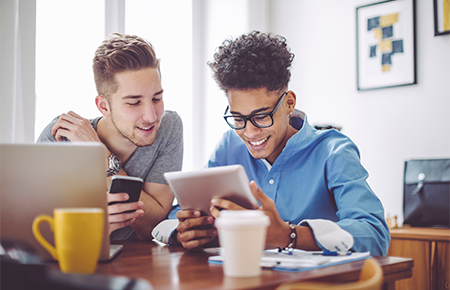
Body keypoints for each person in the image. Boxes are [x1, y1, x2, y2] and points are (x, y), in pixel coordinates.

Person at [167, 31, 390, 256]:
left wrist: (289, 235)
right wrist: (188, 229)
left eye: (262, 116)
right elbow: (178, 214)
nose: (249, 132)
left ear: (289, 103)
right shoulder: (229, 146)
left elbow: (375, 234)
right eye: (238, 119)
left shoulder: (333, 152)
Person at [37, 33, 183, 241]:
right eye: (134, 103)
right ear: (103, 106)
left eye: (157, 98)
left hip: (139, 264)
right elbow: (33, 231)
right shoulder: (61, 137)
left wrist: (102, 155)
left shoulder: (168, 127)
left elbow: (153, 225)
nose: (151, 116)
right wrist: (89, 229)